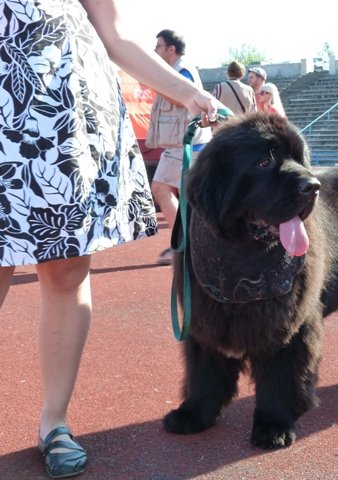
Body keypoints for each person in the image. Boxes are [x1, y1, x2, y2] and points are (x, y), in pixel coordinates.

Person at [0, 2, 225, 478]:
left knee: (66, 268)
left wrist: (188, 93)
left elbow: (114, 33)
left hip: (61, 112)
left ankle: (53, 423)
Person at [146, 29, 212, 265]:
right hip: (187, 142)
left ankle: (181, 245)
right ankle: (193, 246)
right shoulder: (178, 70)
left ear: (171, 49)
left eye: (159, 46)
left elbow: (183, 98)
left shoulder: (181, 71)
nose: (155, 50)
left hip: (184, 143)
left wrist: (155, 84)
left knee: (160, 189)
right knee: (185, 196)